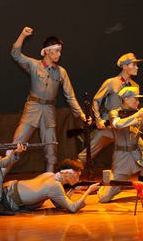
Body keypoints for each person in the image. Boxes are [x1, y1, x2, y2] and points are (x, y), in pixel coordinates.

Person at [8, 26, 86, 174]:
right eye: (56, 51)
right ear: (47, 51)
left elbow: (70, 96)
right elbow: (15, 54)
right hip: (33, 108)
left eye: (60, 51)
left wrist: (80, 113)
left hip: (49, 112)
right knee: (17, 143)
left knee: (51, 148)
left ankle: (50, 181)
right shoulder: (34, 65)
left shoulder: (61, 72)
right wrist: (23, 35)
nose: (59, 54)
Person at [77, 53, 143, 167]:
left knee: (142, 147)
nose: (137, 67)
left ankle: (142, 176)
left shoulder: (135, 86)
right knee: (88, 154)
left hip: (125, 125)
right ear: (124, 66)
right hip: (108, 125)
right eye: (133, 65)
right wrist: (98, 119)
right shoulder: (111, 82)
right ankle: (72, 171)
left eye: (136, 65)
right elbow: (96, 100)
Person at [0, 159, 101, 213]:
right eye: (76, 175)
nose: (78, 178)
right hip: (11, 200)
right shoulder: (55, 186)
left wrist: (72, 190)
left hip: (9, 188)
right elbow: (72, 208)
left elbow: (59, 203)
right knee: (37, 203)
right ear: (67, 173)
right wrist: (88, 191)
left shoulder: (49, 175)